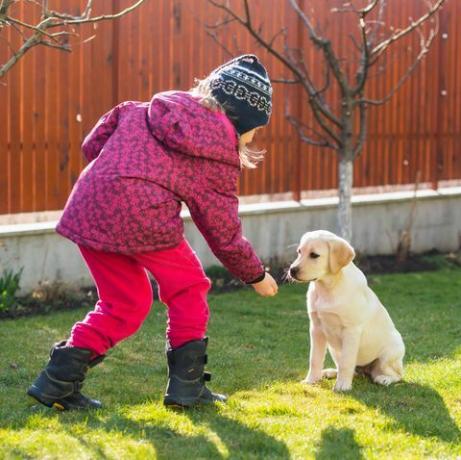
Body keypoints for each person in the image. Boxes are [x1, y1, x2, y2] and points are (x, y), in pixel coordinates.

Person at [27, 54, 278, 410]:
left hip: (90, 206)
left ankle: (56, 382)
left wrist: (119, 174)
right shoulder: (218, 153)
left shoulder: (142, 109)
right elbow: (222, 231)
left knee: (126, 303)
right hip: (143, 215)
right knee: (189, 287)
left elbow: (92, 145)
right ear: (244, 121)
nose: (254, 136)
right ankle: (186, 388)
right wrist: (256, 275)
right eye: (257, 128)